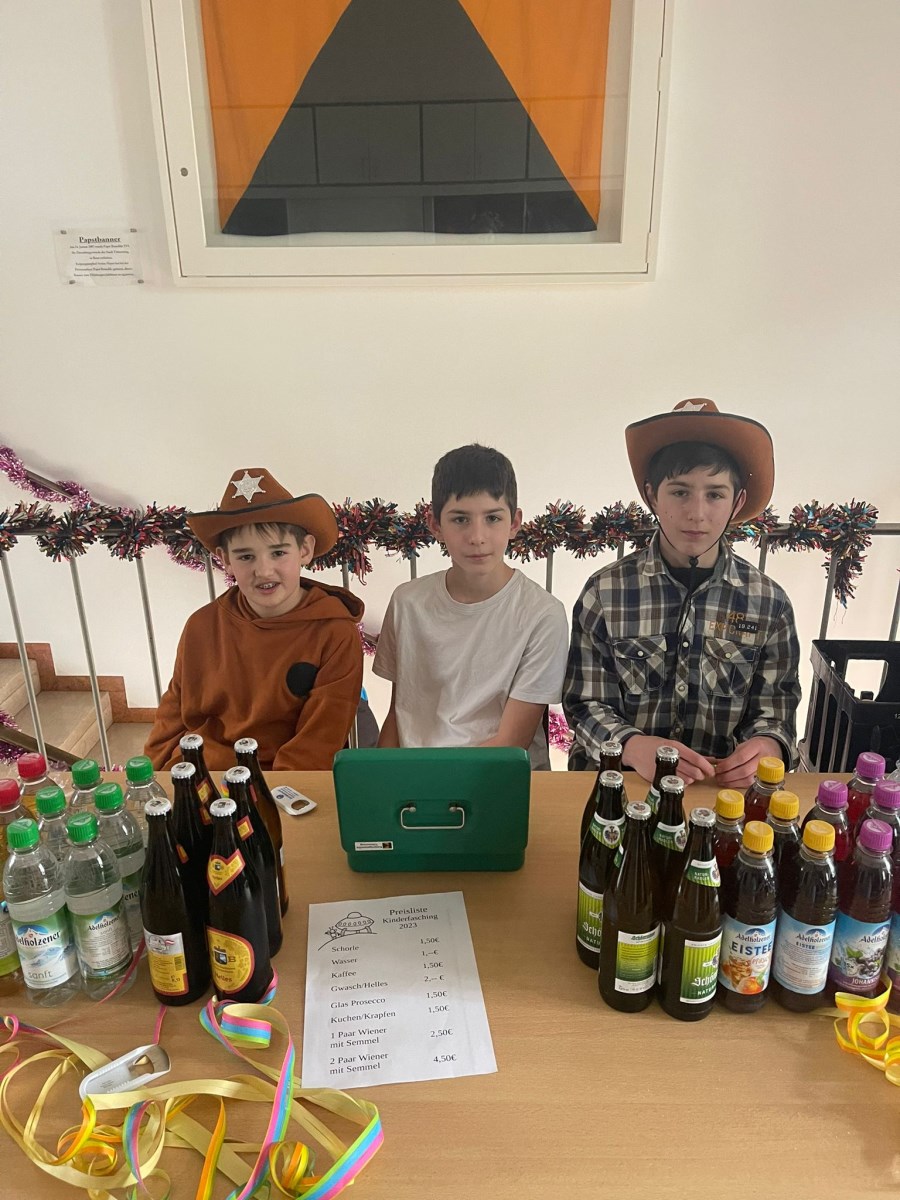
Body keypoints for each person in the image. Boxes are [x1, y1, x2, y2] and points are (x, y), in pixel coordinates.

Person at [563, 399, 801, 790]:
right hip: (619, 784)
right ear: (652, 496)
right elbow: (584, 703)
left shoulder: (769, 604)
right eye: (679, 492)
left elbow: (776, 710)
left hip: (720, 790)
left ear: (738, 501)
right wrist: (632, 746)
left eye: (715, 494)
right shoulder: (605, 593)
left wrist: (768, 745)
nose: (696, 513)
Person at [145, 468, 364, 772]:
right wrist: (155, 775)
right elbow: (172, 716)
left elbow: (318, 743)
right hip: (202, 774)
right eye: (246, 557)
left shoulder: (335, 634)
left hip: (280, 783)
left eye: (278, 553)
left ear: (304, 550)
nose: (263, 571)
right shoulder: (200, 626)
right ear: (225, 558)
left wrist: (275, 794)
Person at [373, 444, 569, 769]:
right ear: (435, 525)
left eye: (492, 518)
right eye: (460, 519)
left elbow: (510, 745)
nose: (477, 537)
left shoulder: (542, 614)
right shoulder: (407, 602)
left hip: (496, 778)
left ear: (514, 522)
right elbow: (400, 712)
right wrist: (381, 778)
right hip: (413, 776)